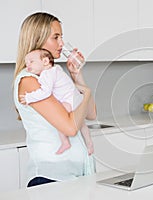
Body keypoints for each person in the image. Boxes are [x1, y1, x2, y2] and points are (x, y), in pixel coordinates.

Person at [13, 12, 97, 187]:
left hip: (73, 177)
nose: (61, 43)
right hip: (50, 178)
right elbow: (71, 127)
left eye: (62, 37)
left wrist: (76, 75)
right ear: (38, 40)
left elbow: (91, 114)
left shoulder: (51, 75)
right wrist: (86, 93)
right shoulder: (29, 81)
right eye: (56, 37)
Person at [20, 48, 94, 155]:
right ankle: (89, 143)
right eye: (26, 63)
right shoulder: (56, 69)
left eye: (31, 62)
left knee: (61, 120)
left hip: (69, 101)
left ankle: (65, 142)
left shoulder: (46, 74)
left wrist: (29, 97)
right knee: (82, 124)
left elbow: (45, 92)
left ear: (45, 61)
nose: (28, 65)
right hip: (76, 98)